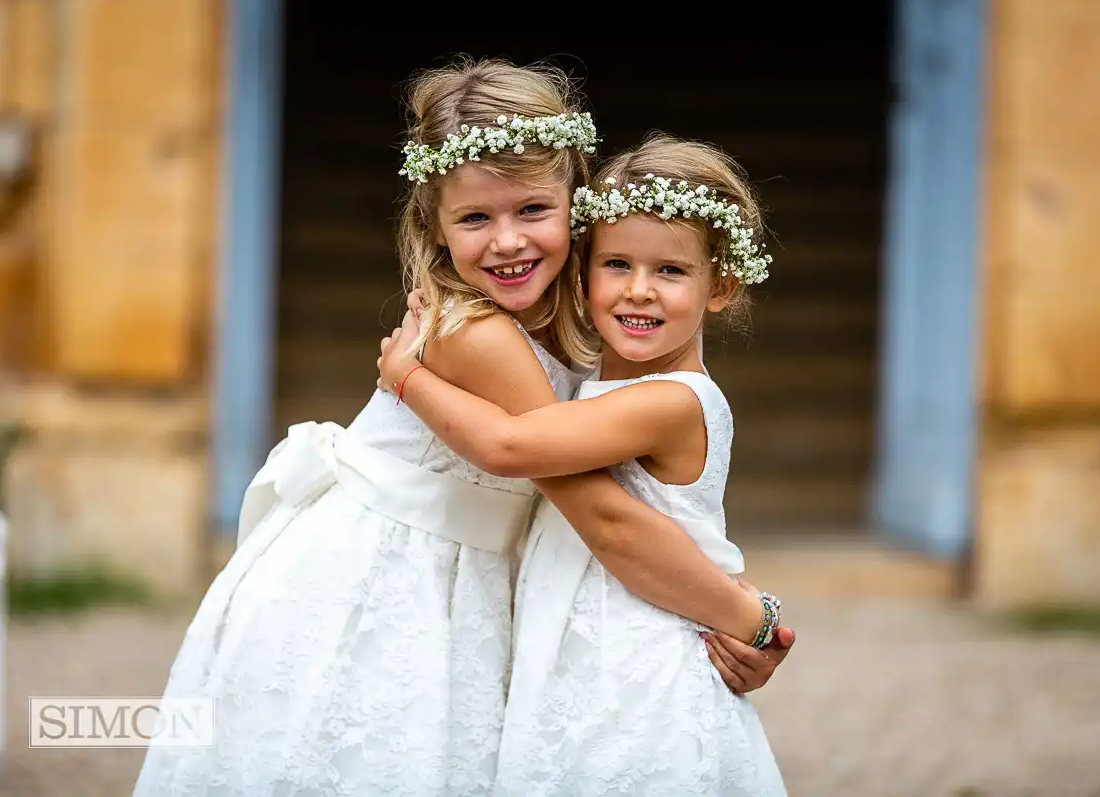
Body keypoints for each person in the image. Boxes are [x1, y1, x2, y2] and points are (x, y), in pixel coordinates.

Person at [133, 59, 787, 797]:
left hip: (475, 575)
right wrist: (745, 616)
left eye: (531, 211)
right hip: (389, 574)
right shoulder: (475, 333)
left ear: (577, 202)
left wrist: (733, 605)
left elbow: (642, 498)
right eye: (475, 218)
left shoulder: (592, 321)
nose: (506, 242)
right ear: (433, 226)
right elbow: (605, 514)